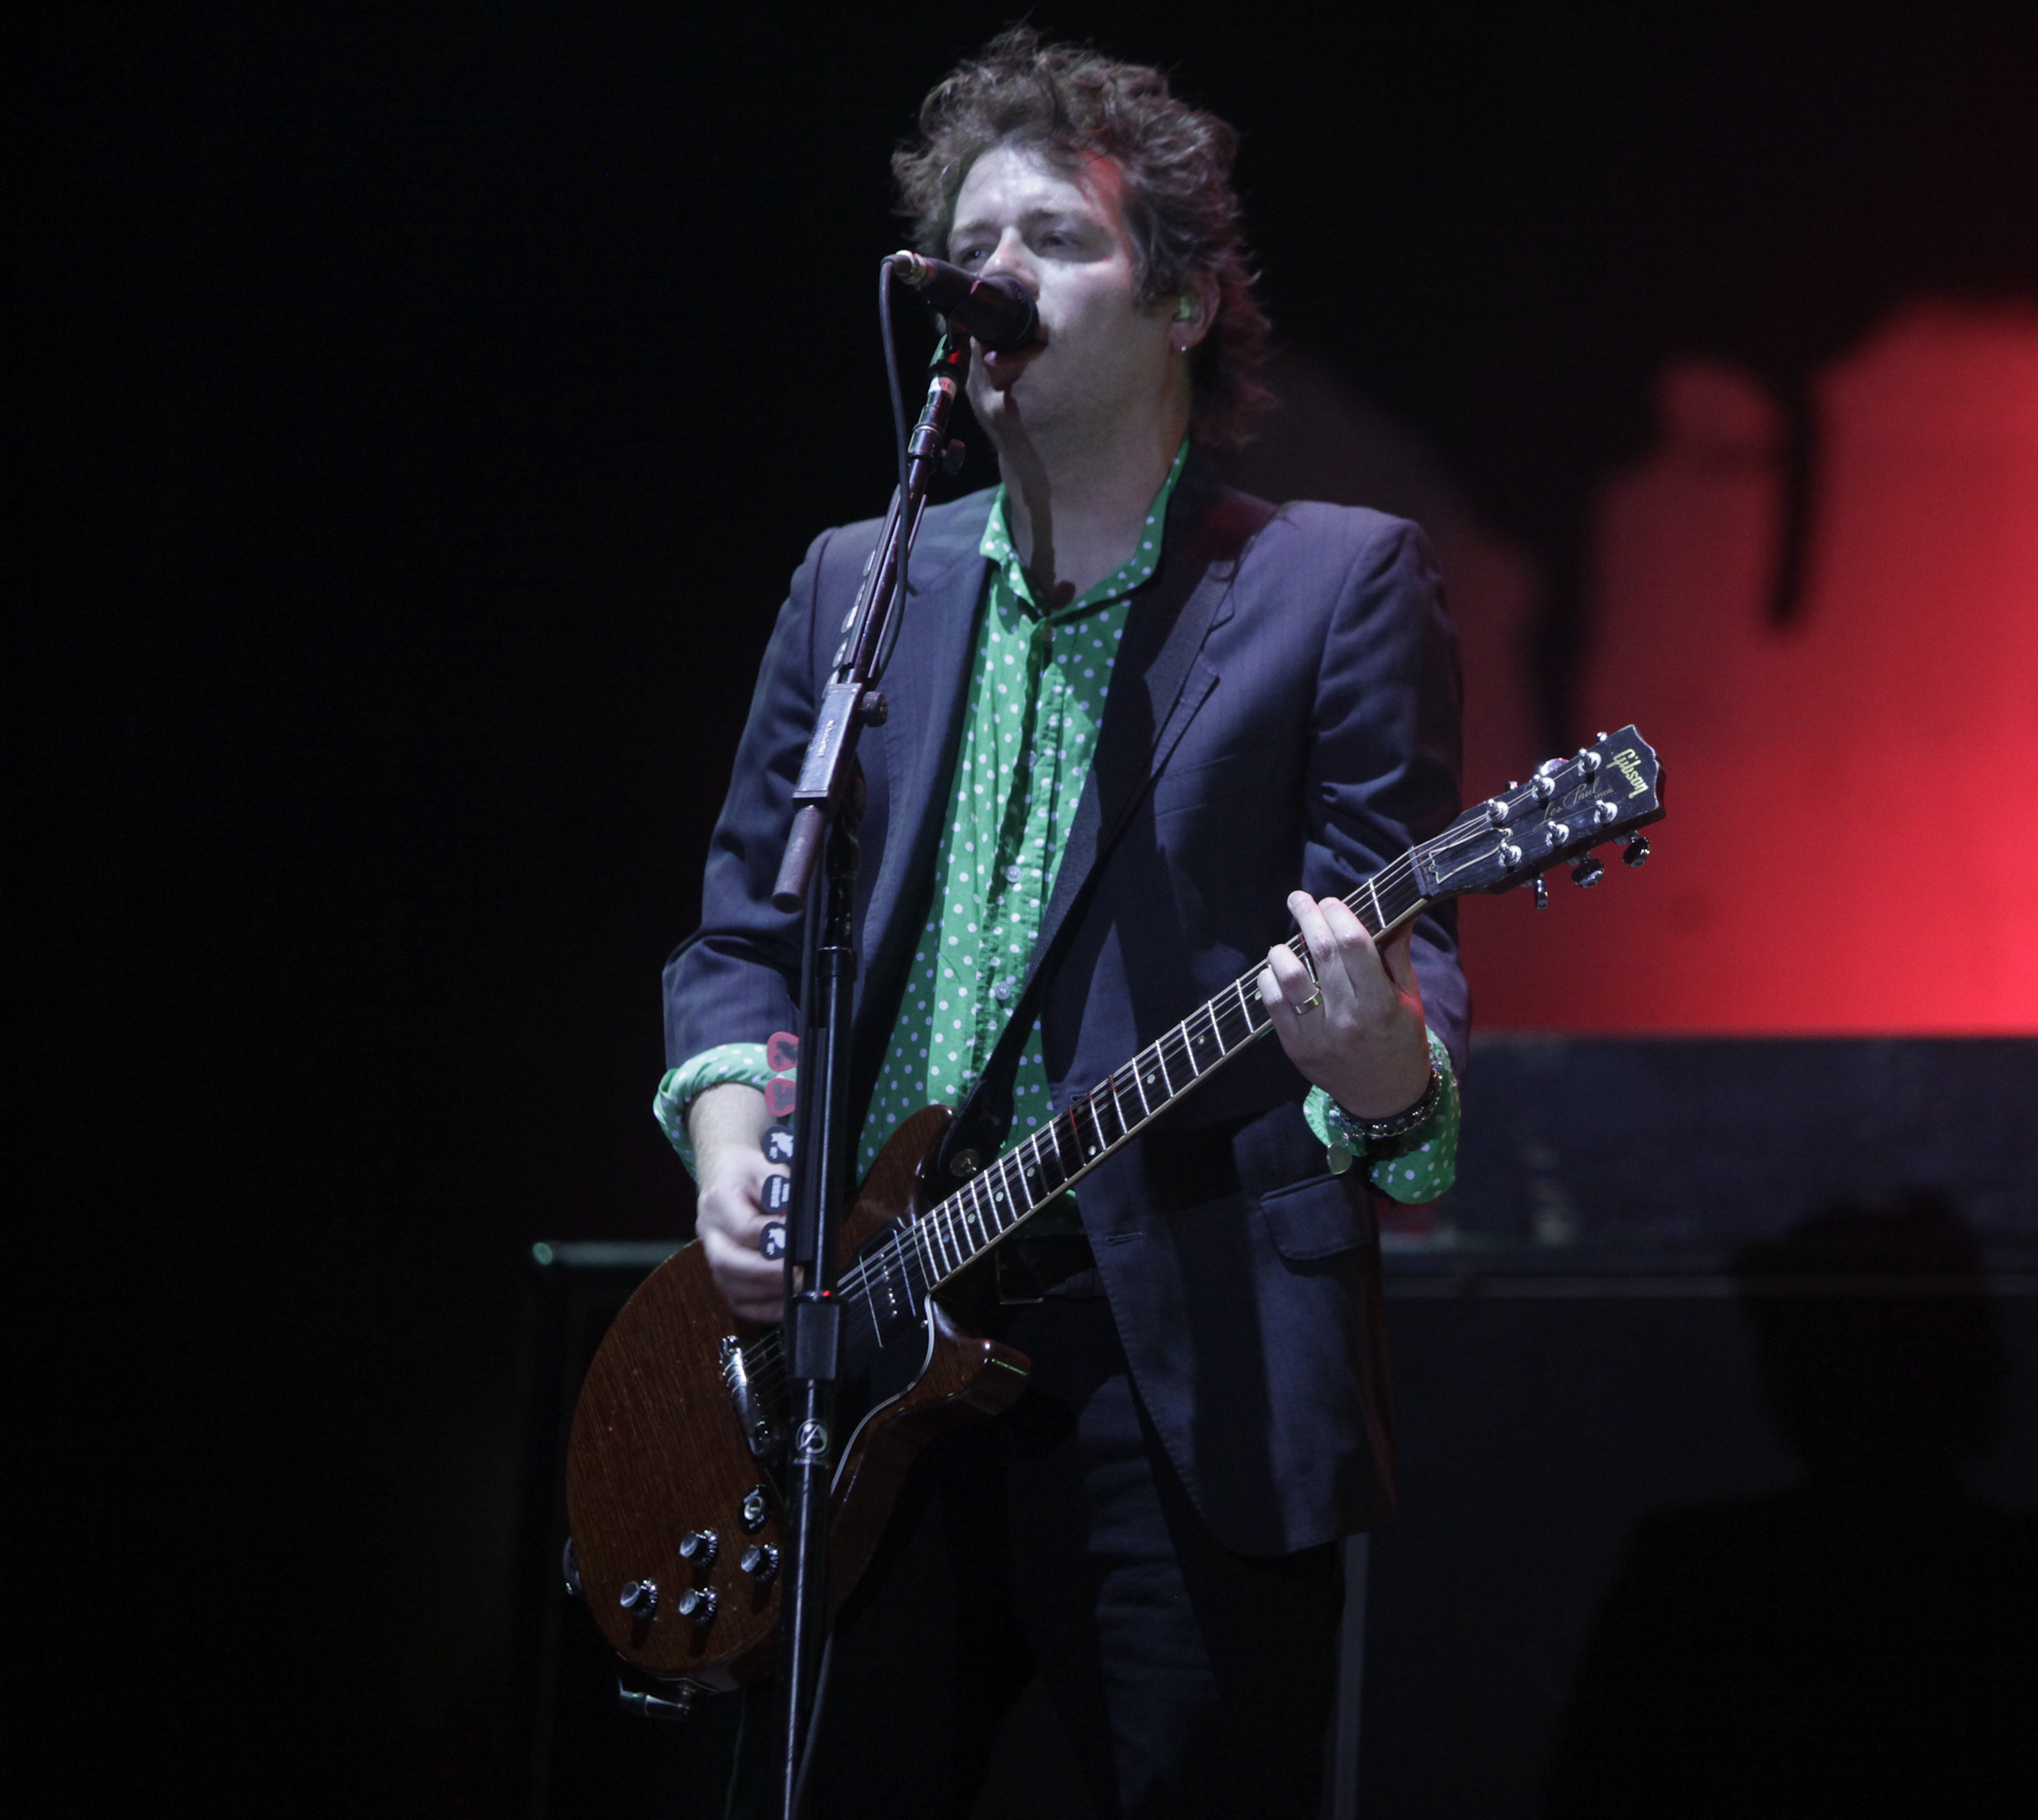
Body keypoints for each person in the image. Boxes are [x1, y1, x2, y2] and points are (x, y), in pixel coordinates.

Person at [654, 27, 1466, 1817]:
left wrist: (1380, 1066)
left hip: (1171, 1364)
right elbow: (734, 935)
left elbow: (1410, 1032)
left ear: (1181, 306)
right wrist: (734, 1144)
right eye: (975, 239)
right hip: (862, 1357)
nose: (996, 272)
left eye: (1057, 240)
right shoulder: (859, 583)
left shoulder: (1335, 584)